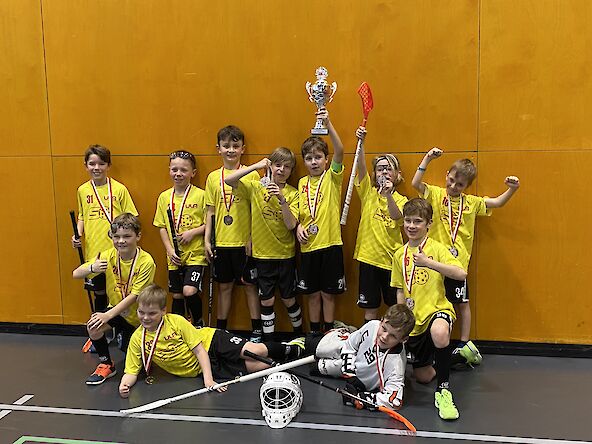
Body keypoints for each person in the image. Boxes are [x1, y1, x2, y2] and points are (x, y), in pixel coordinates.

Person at [412, 148, 520, 365]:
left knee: (461, 303)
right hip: (433, 262)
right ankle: (431, 343)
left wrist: (512, 189)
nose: (453, 186)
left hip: (457, 265)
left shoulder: (471, 202)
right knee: (432, 302)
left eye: (459, 184)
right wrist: (428, 158)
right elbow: (416, 183)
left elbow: (497, 203)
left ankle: (463, 344)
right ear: (447, 175)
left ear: (467, 187)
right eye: (451, 180)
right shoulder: (435, 194)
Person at [119, 284, 305, 397]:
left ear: (163, 311)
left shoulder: (176, 322)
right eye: (141, 312)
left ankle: (293, 347)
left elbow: (199, 350)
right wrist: (124, 384)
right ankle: (289, 359)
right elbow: (131, 371)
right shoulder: (137, 339)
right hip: (204, 367)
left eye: (152, 313)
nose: (145, 317)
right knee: (261, 366)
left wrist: (208, 380)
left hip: (212, 342)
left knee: (255, 351)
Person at [390, 198, 467, 420]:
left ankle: (443, 391)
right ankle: (456, 358)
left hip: (437, 310)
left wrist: (429, 263)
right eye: (408, 221)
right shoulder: (399, 254)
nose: (411, 226)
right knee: (423, 376)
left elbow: (461, 274)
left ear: (428, 224)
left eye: (418, 221)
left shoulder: (437, 248)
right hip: (414, 319)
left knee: (439, 332)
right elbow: (400, 289)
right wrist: (401, 317)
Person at [225, 147, 303, 341]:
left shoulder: (293, 193)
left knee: (288, 299)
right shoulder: (256, 187)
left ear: (291, 171)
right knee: (267, 300)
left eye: (287, 167)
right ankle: (268, 343)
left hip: (285, 255)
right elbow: (229, 180)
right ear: (271, 166)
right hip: (262, 255)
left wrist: (282, 200)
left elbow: (291, 225)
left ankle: (300, 336)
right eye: (277, 165)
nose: (281, 170)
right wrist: (256, 166)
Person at [73, 213, 156, 385]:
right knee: (93, 326)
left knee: (141, 366)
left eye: (127, 236)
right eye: (116, 236)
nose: (121, 241)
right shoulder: (108, 255)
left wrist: (107, 315)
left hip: (141, 317)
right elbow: (76, 273)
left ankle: (134, 343)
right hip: (118, 312)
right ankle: (107, 364)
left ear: (138, 236)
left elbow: (134, 296)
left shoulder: (146, 262)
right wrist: (92, 267)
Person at [204, 125, 262, 342]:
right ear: (218, 148)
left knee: (250, 286)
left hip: (244, 242)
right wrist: (207, 240)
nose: (231, 150)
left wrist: (252, 237)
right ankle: (221, 330)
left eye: (235, 146)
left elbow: (257, 209)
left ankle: (256, 330)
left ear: (242, 149)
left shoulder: (252, 174)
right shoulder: (212, 178)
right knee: (224, 287)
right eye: (226, 146)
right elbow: (210, 211)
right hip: (222, 242)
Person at [306, 304, 415, 411]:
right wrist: (350, 374)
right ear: (381, 320)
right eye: (384, 329)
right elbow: (350, 345)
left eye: (393, 336)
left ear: (403, 339)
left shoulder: (397, 364)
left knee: (315, 368)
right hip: (349, 354)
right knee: (312, 345)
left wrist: (362, 398)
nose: (384, 337)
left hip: (359, 372)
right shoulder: (372, 326)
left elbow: (395, 401)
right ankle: (342, 330)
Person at [295, 108, 345, 334]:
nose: (314, 162)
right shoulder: (301, 183)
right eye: (309, 158)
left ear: (326, 159)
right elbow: (300, 213)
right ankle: (315, 334)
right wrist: (298, 226)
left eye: (318, 157)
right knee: (312, 295)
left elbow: (340, 150)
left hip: (330, 244)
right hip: (308, 247)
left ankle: (329, 332)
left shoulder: (333, 177)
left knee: (328, 294)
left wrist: (328, 123)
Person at [72, 145, 138, 313]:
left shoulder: (119, 189)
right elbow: (82, 216)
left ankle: (120, 326)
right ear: (85, 165)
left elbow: (132, 219)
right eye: (92, 164)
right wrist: (78, 233)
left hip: (118, 251)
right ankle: (100, 326)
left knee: (119, 292)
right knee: (99, 292)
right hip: (94, 252)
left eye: (101, 164)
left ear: (108, 165)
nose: (97, 168)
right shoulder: (82, 190)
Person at [352, 126, 408, 323]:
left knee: (395, 308)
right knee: (370, 310)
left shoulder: (401, 200)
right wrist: (361, 143)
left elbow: (397, 217)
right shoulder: (368, 192)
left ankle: (394, 340)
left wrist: (389, 195)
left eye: (388, 168)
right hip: (368, 258)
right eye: (380, 168)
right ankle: (370, 340)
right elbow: (360, 167)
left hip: (392, 261)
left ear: (397, 174)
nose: (384, 171)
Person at [153, 150, 207, 327]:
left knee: (189, 291)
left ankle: (198, 323)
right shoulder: (164, 197)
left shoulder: (201, 195)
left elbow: (209, 224)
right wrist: (169, 249)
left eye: (184, 170)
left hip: (195, 254)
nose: (178, 173)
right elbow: (161, 226)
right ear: (169, 170)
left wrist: (193, 232)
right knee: (177, 295)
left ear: (193, 173)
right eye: (174, 169)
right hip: (174, 256)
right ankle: (177, 329)